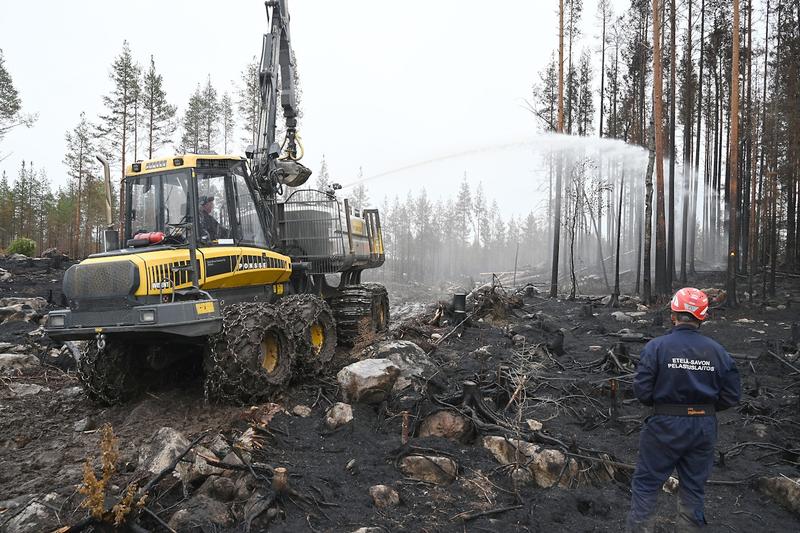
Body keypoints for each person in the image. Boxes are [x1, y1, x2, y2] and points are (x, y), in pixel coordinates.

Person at [627, 288, 741, 532]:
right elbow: (731, 396)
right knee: (693, 490)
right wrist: (703, 408)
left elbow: (642, 391)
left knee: (647, 485)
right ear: (703, 317)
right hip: (703, 427)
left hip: (664, 426)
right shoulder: (718, 352)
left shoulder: (656, 347)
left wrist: (666, 407)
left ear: (673, 314)